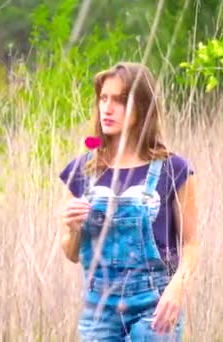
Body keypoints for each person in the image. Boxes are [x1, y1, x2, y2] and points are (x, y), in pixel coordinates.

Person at [58, 62, 199, 341]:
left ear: (143, 108)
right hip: (98, 310)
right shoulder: (81, 172)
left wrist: (177, 290)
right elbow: (72, 253)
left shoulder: (174, 169)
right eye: (103, 98)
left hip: (155, 305)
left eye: (120, 100)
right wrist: (72, 228)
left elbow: (191, 244)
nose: (108, 108)